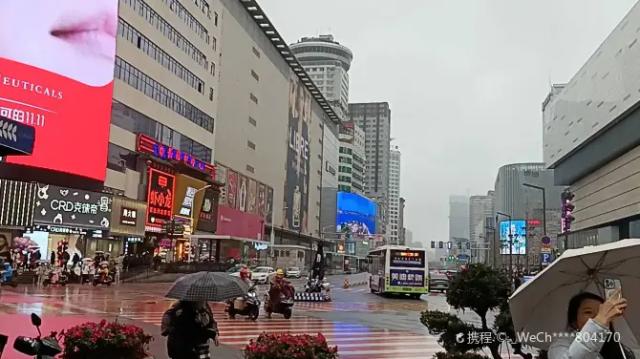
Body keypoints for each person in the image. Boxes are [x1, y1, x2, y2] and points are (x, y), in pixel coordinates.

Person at [548, 291, 633, 359]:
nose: (597, 316)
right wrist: (598, 323)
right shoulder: (560, 346)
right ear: (574, 320)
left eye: (600, 312)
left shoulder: (618, 346)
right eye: (588, 312)